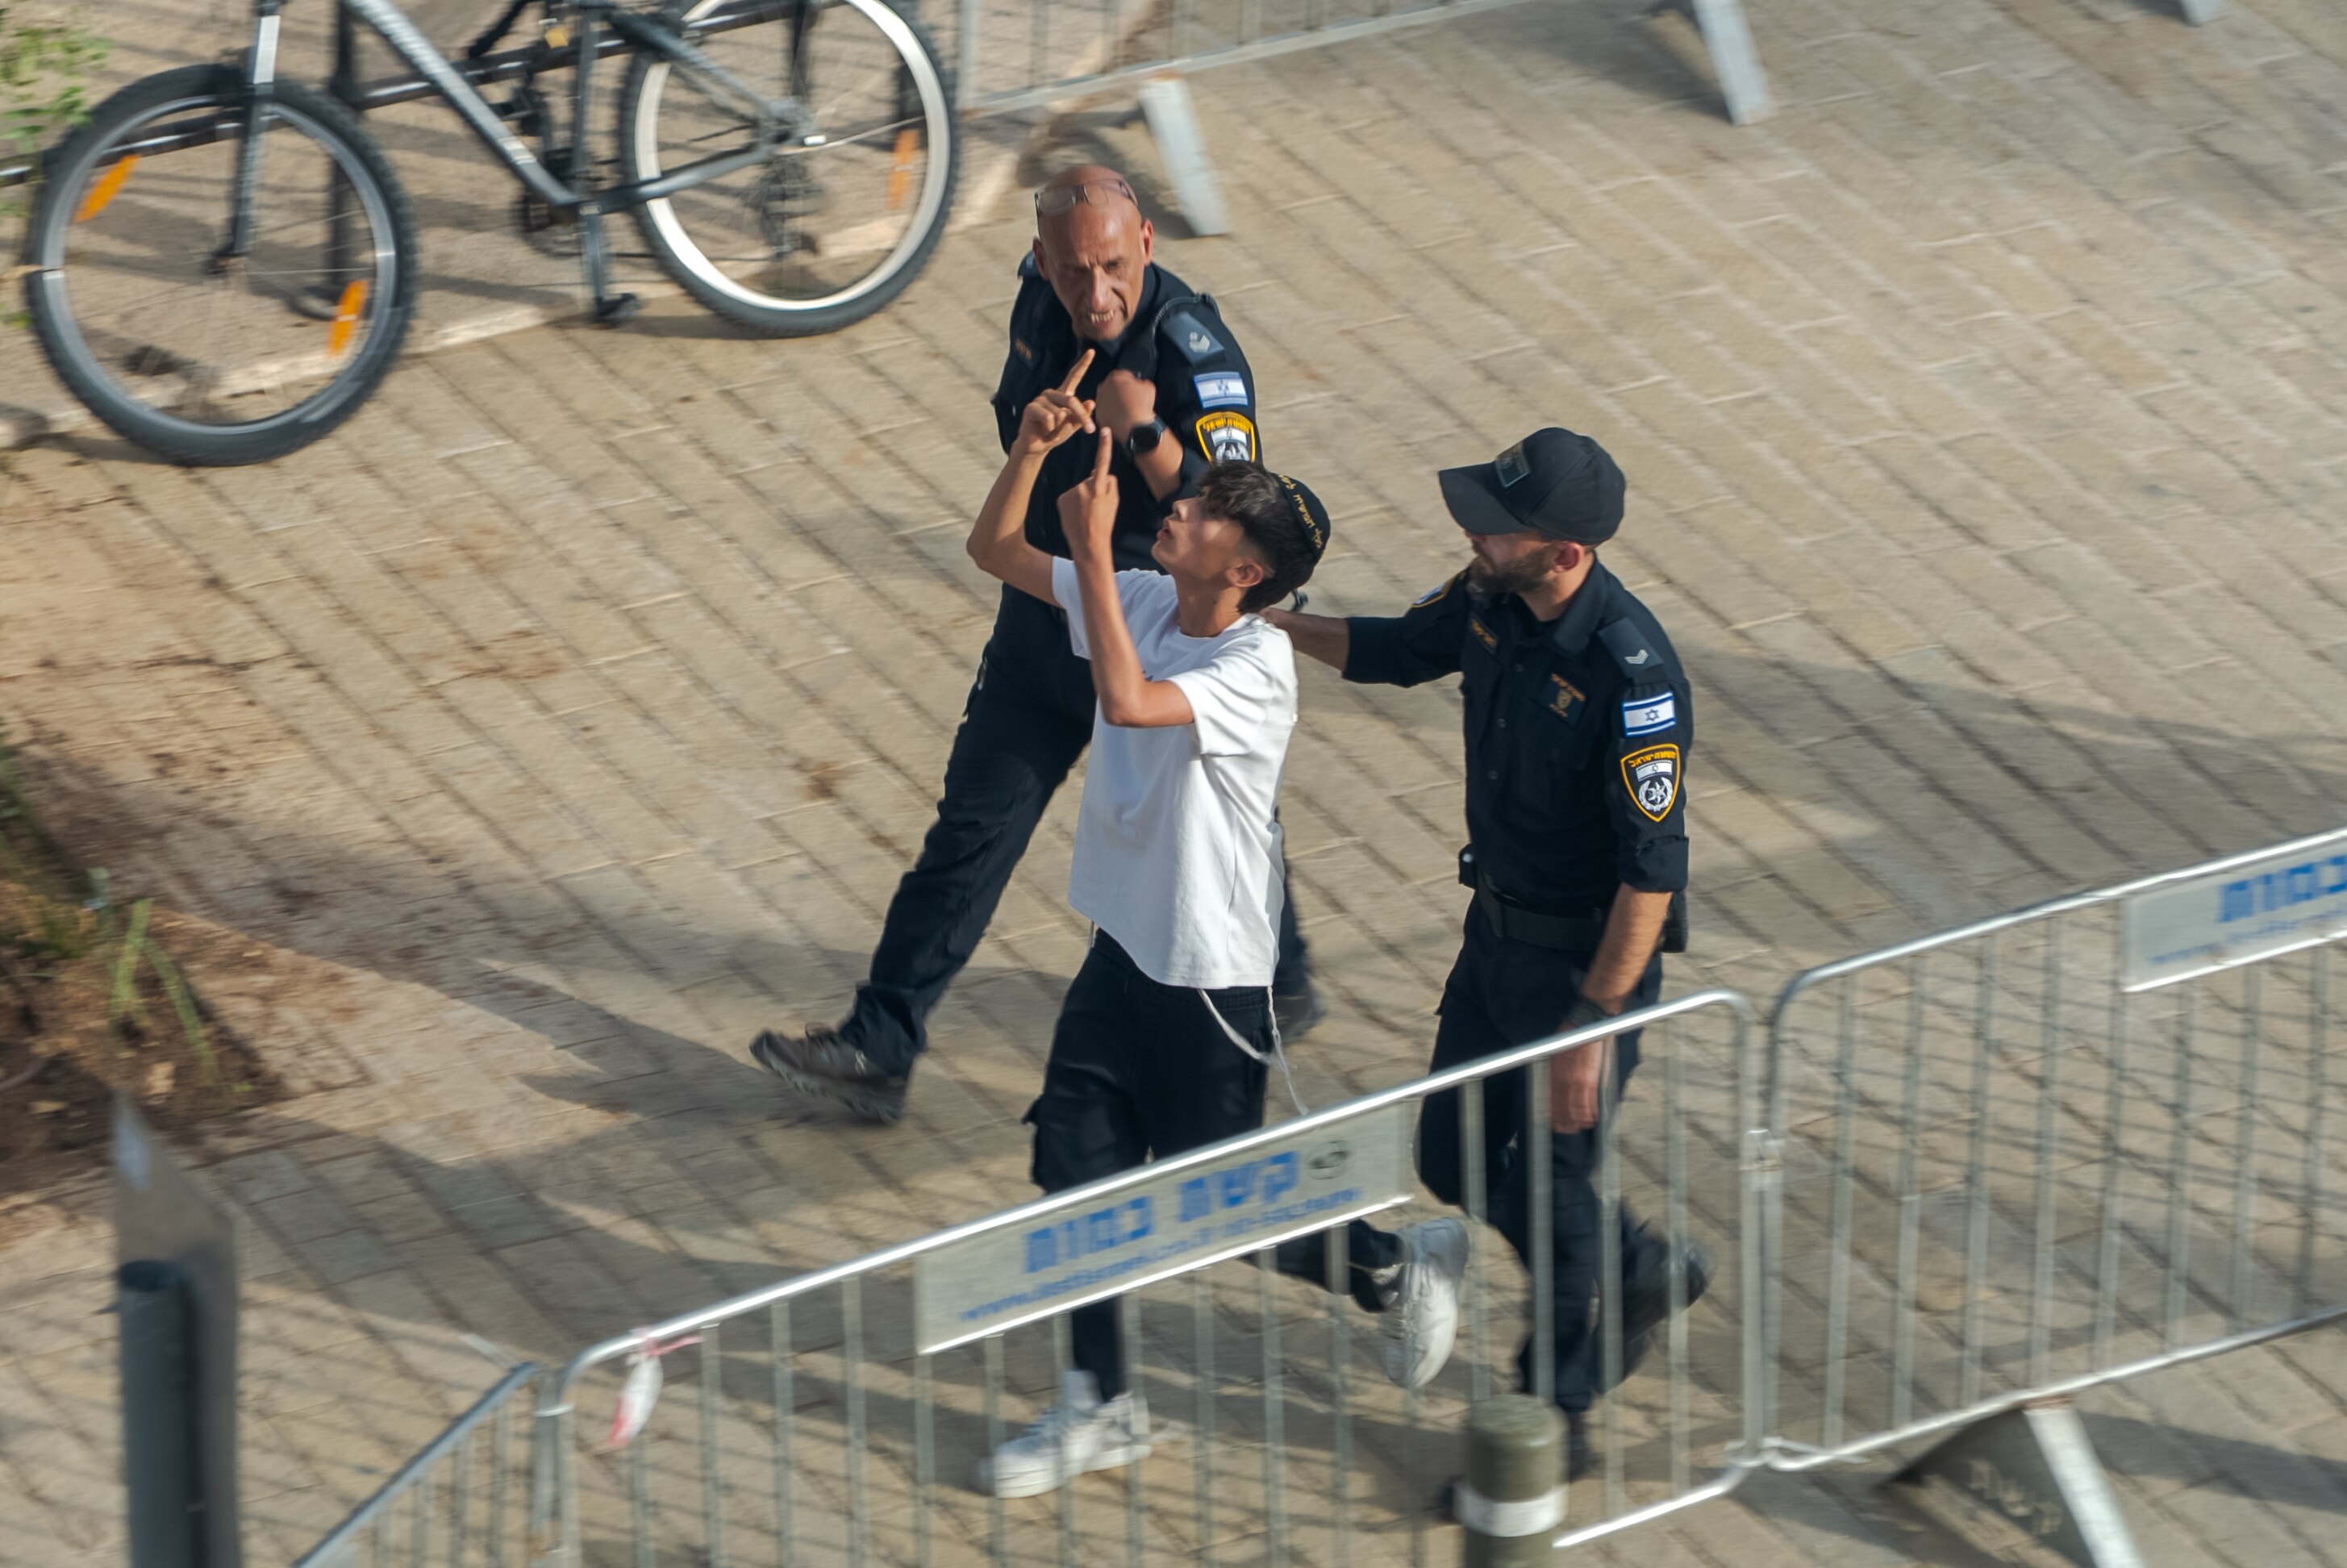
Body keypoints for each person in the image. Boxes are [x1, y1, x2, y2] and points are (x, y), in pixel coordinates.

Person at [954, 362, 1465, 1499]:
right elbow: (994, 553)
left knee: (1206, 1210)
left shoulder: (1254, 662)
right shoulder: (1141, 597)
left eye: (1199, 510)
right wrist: (1032, 451)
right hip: (1118, 946)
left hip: (1204, 978)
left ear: (1242, 570)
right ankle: (1101, 1402)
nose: (1171, 507)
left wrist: (1092, 547)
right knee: (1073, 1169)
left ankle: (1387, 1265)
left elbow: (1134, 703)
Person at [752, 165, 1319, 1126]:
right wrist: (1033, 445)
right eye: (1069, 274)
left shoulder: (1196, 351)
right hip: (1044, 611)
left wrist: (1142, 434)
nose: (1091, 296)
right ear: (1040, 260)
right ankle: (879, 1043)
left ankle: (1282, 975)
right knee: (969, 834)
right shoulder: (1039, 295)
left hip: (1152, 631)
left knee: (1215, 815)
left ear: (1145, 245)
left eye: (1109, 267)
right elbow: (1007, 479)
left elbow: (1238, 515)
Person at [1265, 427, 1709, 1479]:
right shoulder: (1485, 597)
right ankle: (1638, 1265)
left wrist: (1590, 1032)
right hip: (1493, 941)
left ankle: (1549, 1421)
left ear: (1561, 551)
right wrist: (1267, 619)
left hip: (1583, 977)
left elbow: (1652, 873)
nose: (1471, 530)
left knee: (1553, 1190)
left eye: (1495, 523)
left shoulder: (1628, 675)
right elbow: (1392, 652)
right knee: (1448, 1160)